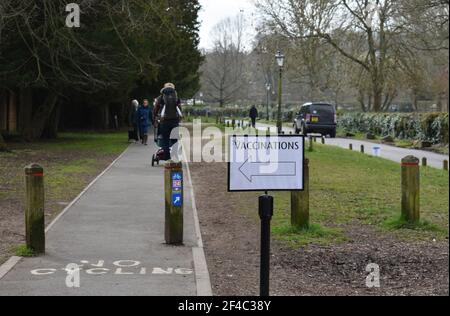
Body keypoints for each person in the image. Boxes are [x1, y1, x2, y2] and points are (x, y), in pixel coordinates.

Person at [153, 83, 182, 160]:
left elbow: (156, 109)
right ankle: (174, 156)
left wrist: (155, 117)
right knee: (175, 140)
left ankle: (166, 156)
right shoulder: (176, 97)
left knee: (165, 139)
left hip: (164, 121)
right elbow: (179, 109)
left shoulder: (161, 97)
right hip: (175, 121)